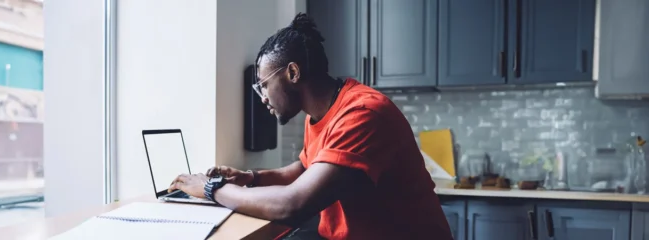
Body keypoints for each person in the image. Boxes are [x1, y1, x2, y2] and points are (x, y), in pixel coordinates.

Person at [167, 13, 454, 240]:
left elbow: (293, 203)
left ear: (293, 72)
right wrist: (249, 177)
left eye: (265, 85)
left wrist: (210, 189)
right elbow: (304, 170)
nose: (263, 96)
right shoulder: (319, 113)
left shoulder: (362, 113)